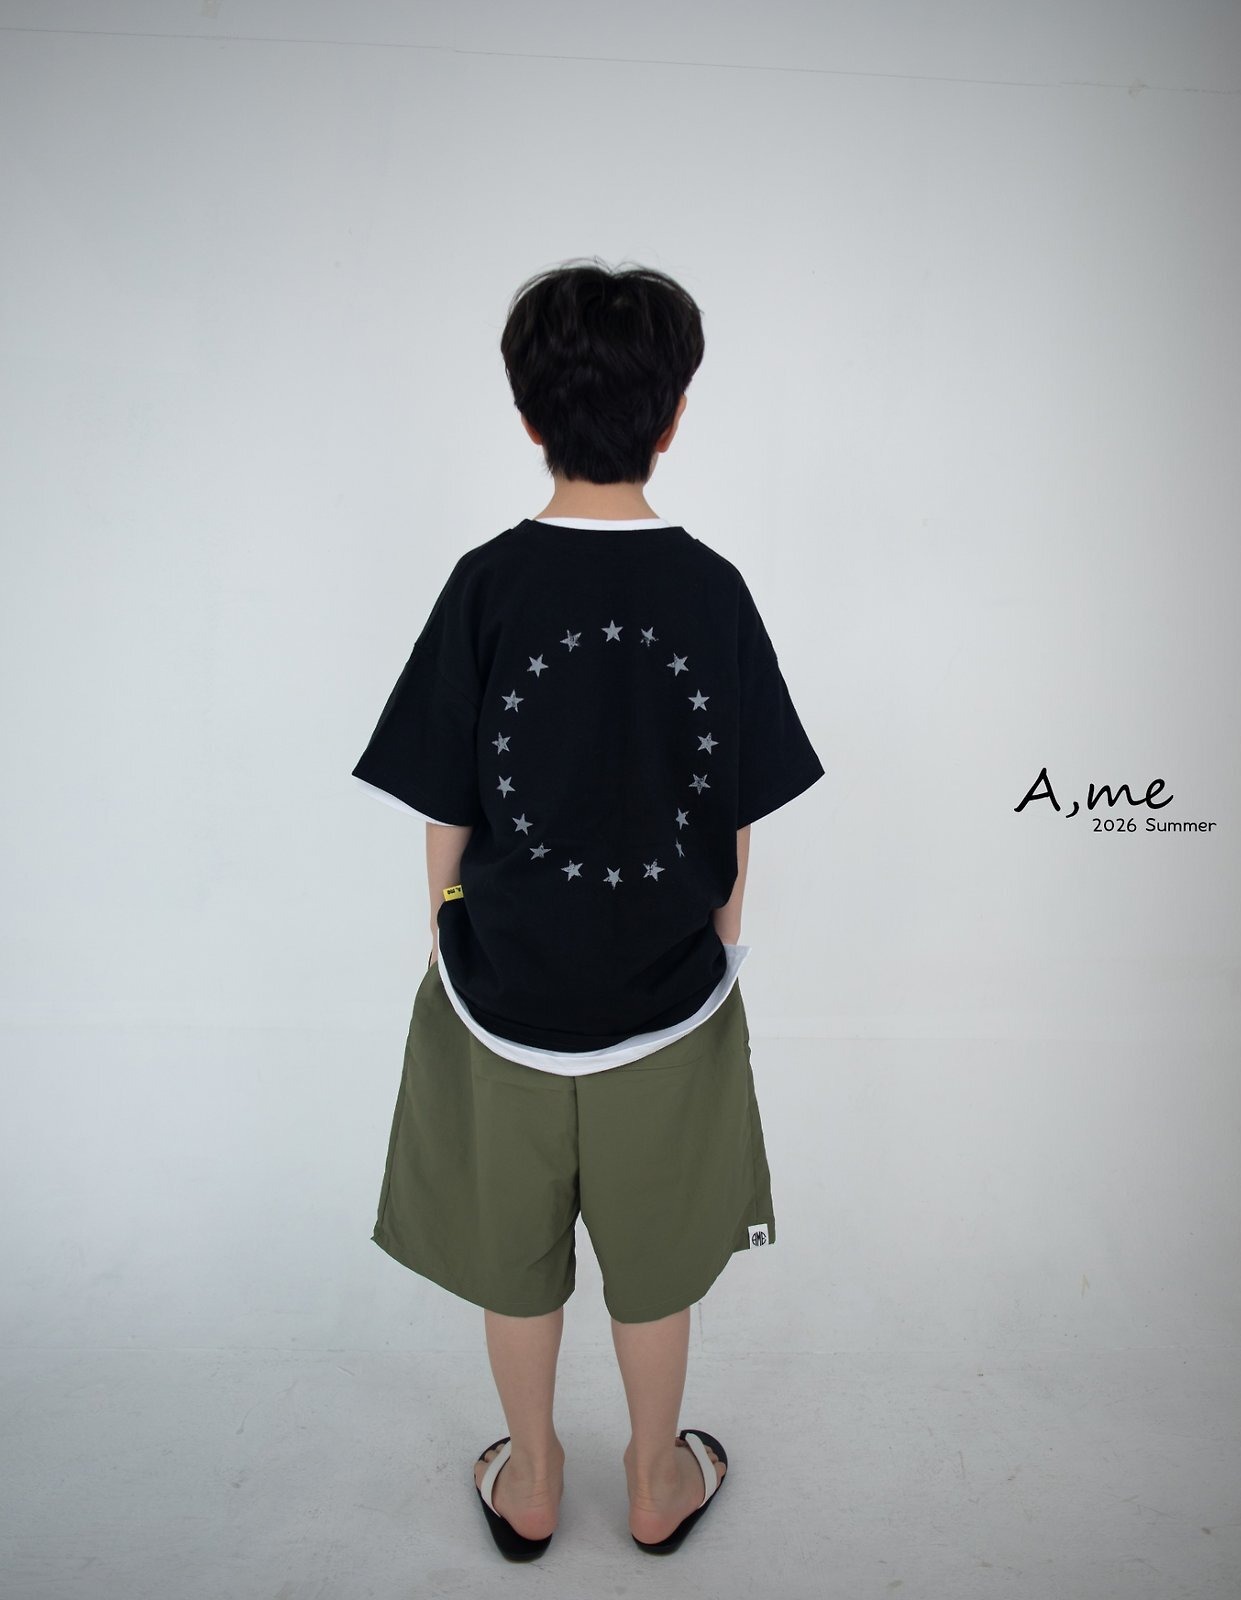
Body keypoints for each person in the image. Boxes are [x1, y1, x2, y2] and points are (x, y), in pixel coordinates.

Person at [351, 258, 825, 1560]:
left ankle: (533, 1478)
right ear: (674, 416)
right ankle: (659, 1480)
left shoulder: (486, 584)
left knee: (516, 1261)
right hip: (667, 998)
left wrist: (450, 932)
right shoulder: (713, 590)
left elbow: (445, 807)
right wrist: (717, 949)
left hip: (498, 994)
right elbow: (737, 815)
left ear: (526, 416)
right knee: (656, 1263)